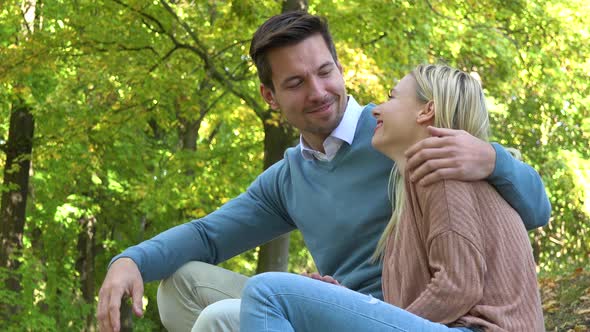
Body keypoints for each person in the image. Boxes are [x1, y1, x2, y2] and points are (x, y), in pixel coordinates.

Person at [96, 12, 550, 332]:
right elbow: (209, 236)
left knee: (231, 314)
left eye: (324, 71)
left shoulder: (406, 133)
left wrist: (493, 159)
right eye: (295, 82)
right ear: (270, 96)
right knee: (179, 287)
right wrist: (130, 259)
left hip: (408, 314)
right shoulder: (287, 179)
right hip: (342, 309)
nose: (318, 91)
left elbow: (531, 210)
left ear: (339, 67)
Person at [239, 64, 545, 331]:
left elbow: (457, 287)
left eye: (391, 97)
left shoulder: (444, 174)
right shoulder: (413, 185)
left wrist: (377, 321)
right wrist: (343, 301)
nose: (376, 110)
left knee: (268, 293)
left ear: (426, 110)